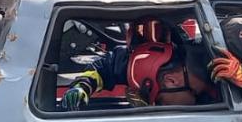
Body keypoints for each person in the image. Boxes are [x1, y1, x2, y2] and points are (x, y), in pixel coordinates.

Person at [60, 20, 215, 110]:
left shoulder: (216, 58)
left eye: (160, 102)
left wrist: (240, 76)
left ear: (171, 81)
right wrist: (82, 86)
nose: (159, 108)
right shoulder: (137, 64)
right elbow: (102, 69)